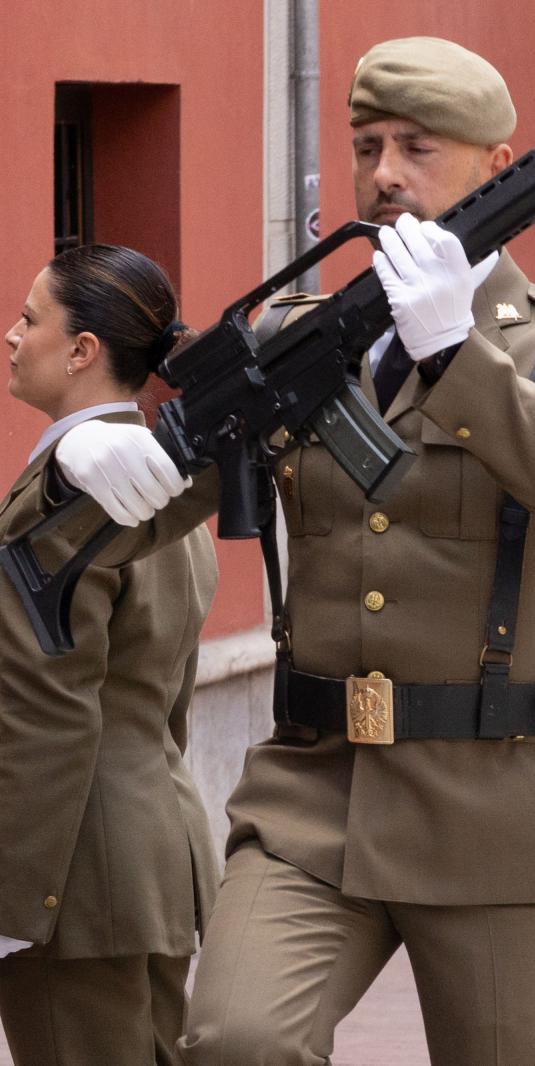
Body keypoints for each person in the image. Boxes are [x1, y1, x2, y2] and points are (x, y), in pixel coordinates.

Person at [24, 37, 535, 1064]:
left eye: (417, 146)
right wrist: (89, 445)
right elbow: (159, 502)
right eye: (366, 145)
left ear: (497, 167)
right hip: (315, 790)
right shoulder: (308, 334)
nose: (386, 174)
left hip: (493, 800)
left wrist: (460, 355)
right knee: (234, 1038)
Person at [0, 243, 219, 1066]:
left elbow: (46, 709)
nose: (14, 337)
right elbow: (170, 696)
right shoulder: (158, 481)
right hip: (152, 853)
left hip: (73, 875)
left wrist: (13, 901)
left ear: (83, 350)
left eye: (30, 319)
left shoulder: (75, 490)